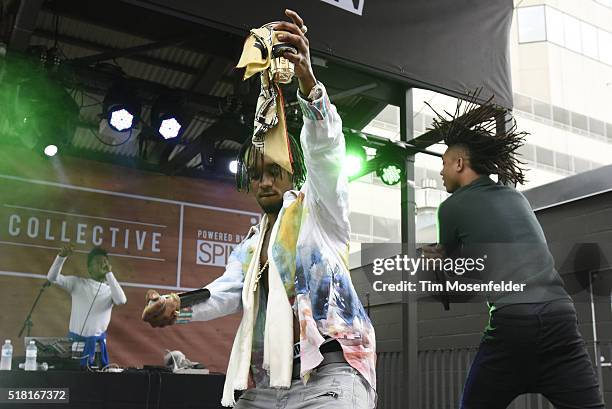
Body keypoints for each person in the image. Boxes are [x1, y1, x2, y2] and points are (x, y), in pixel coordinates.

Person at [142, 9, 376, 409]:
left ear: (294, 173)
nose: (265, 181)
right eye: (256, 174)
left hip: (332, 375)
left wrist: (309, 84)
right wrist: (175, 307)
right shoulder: (251, 248)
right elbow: (225, 291)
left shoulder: (321, 214)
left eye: (274, 171)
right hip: (270, 382)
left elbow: (326, 153)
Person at [423, 99, 605, 409]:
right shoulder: (515, 197)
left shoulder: (451, 207)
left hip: (514, 323)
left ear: (459, 163)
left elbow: (452, 286)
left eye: (443, 163)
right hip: (561, 316)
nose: (440, 172)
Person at [47, 243, 127, 368]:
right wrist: (61, 257)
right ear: (89, 268)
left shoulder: (111, 289)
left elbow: (121, 300)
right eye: (98, 262)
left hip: (97, 349)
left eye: (105, 261)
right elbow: (52, 278)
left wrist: (109, 274)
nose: (103, 264)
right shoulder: (77, 283)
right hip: (75, 346)